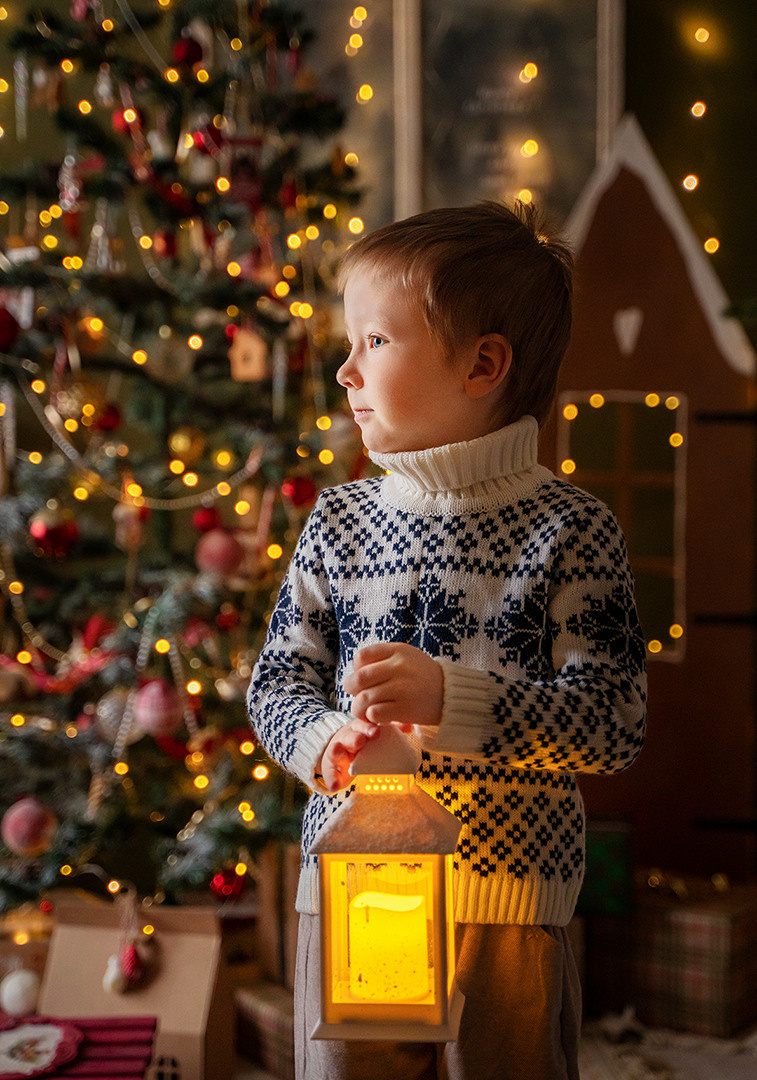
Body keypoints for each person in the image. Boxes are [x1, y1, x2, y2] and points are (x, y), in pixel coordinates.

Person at [247, 200, 647, 1080]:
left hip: (504, 910)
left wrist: (451, 701)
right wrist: (322, 739)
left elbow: (612, 722)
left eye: (375, 343)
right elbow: (277, 684)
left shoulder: (571, 531)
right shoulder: (338, 523)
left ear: (483, 364)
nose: (346, 371)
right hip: (354, 893)